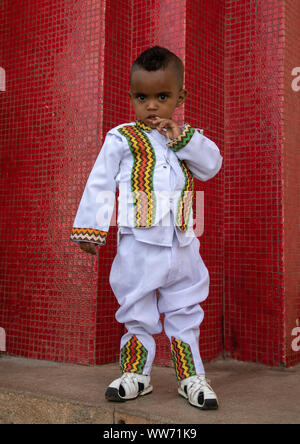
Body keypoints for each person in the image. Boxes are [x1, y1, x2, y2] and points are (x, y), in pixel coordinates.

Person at [70, 46, 223, 410]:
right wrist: (92, 228)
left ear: (180, 97)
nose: (152, 106)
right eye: (142, 97)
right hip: (138, 243)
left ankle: (191, 377)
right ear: (131, 97)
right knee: (136, 306)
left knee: (186, 306)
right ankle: (136, 374)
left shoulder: (186, 138)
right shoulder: (122, 137)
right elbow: (100, 182)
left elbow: (211, 166)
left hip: (183, 241)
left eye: (162, 96)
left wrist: (183, 138)